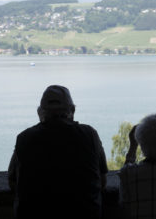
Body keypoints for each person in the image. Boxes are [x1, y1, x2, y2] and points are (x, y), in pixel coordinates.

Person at [8, 85, 108, 218]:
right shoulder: (89, 135)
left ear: (40, 113)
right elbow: (102, 181)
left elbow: (13, 182)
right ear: (72, 110)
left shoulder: (24, 138)